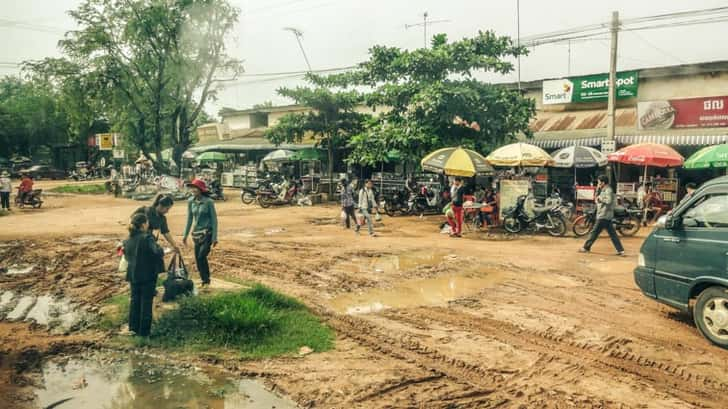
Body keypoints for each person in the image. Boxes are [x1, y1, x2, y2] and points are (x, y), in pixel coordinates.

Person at [123, 213, 164, 337]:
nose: (148, 225)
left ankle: (133, 328)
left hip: (133, 275)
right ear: (143, 225)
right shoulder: (147, 238)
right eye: (146, 223)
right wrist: (161, 248)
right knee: (146, 302)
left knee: (135, 301)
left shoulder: (127, 240)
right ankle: (144, 333)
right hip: (147, 275)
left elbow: (126, 256)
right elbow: (156, 252)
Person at [183, 179, 218, 287]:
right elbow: (189, 219)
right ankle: (204, 279)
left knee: (202, 255)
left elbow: (214, 220)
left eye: (195, 187)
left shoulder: (209, 202)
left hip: (207, 233)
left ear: (200, 190)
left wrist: (214, 237)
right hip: (196, 234)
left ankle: (206, 279)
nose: (193, 189)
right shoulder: (190, 201)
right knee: (198, 259)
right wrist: (185, 235)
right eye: (191, 187)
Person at [132, 194, 180, 274]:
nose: (167, 211)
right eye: (167, 208)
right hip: (139, 241)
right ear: (161, 205)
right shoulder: (145, 210)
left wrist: (174, 245)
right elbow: (133, 222)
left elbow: (165, 232)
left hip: (150, 241)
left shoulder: (162, 218)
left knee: (158, 260)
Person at [580, 175, 625, 256]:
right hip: (604, 215)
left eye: (599, 182)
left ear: (603, 182)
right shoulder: (603, 189)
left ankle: (586, 247)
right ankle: (620, 250)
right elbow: (597, 199)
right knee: (612, 234)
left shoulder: (608, 190)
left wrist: (600, 199)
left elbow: (608, 201)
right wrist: (598, 191)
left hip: (604, 215)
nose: (598, 184)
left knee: (594, 232)